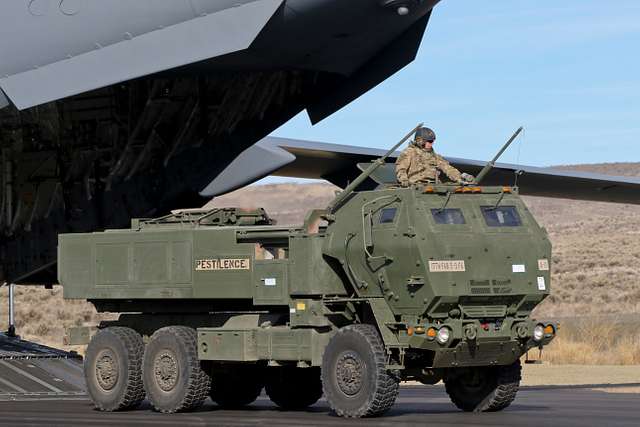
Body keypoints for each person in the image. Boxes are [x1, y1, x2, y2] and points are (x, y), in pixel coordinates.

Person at [395, 127, 474, 186]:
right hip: (416, 186)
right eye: (429, 141)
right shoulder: (409, 152)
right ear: (420, 140)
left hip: (434, 186)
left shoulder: (434, 156)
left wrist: (459, 178)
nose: (431, 143)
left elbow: (447, 168)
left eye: (432, 141)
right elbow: (401, 168)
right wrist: (403, 179)